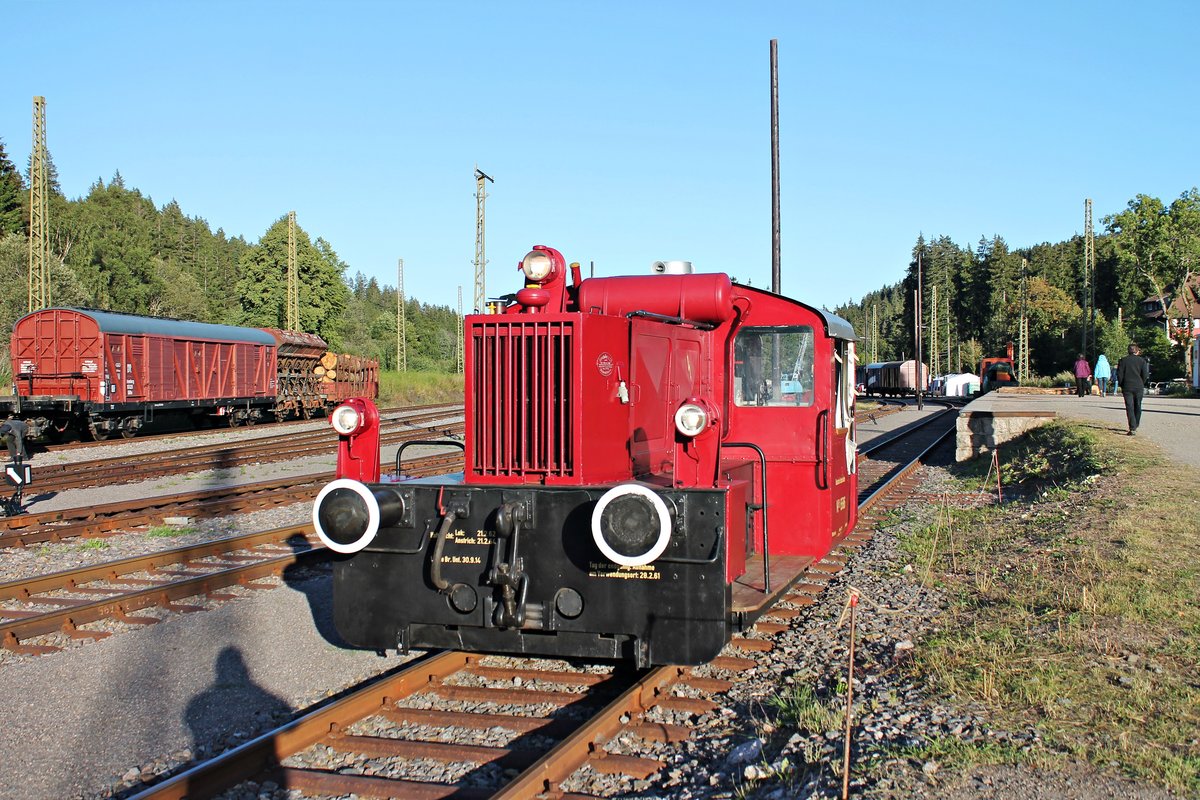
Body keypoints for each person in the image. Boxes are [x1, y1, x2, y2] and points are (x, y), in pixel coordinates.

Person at [1116, 344, 1150, 435]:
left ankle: (1132, 427)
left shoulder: (1123, 360)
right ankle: (1136, 423)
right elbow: (1145, 375)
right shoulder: (1142, 361)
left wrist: (1122, 384)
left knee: (1129, 406)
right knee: (1138, 405)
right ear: (1137, 351)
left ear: (1128, 351)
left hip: (1127, 386)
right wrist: (1141, 382)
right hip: (1139, 386)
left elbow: (1119, 374)